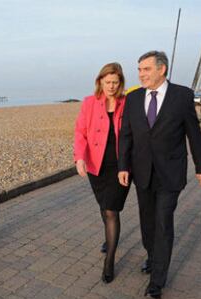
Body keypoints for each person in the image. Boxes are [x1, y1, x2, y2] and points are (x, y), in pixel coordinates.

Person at [118, 51, 201, 299]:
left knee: (162, 221)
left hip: (171, 173)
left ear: (162, 70)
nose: (141, 74)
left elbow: (194, 133)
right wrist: (123, 166)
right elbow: (126, 134)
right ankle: (152, 256)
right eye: (139, 69)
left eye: (146, 69)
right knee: (147, 223)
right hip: (142, 173)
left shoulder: (181, 96)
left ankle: (157, 279)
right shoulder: (134, 97)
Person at [74, 62, 131, 284]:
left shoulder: (126, 103)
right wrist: (79, 157)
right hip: (96, 166)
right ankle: (109, 239)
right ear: (100, 81)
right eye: (108, 82)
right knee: (103, 206)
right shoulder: (89, 103)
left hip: (120, 167)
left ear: (120, 83)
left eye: (115, 82)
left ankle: (109, 261)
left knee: (111, 210)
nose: (111, 86)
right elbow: (80, 132)